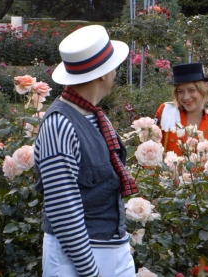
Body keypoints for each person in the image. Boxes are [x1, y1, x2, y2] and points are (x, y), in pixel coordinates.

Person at [34, 25, 137, 277]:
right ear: (102, 74)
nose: (115, 72)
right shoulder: (59, 124)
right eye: (113, 66)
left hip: (110, 248)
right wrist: (90, 271)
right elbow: (62, 207)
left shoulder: (94, 115)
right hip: (78, 260)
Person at [154, 62, 208, 155]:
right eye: (180, 91)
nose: (186, 97)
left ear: (203, 90)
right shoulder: (166, 111)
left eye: (191, 90)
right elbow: (151, 150)